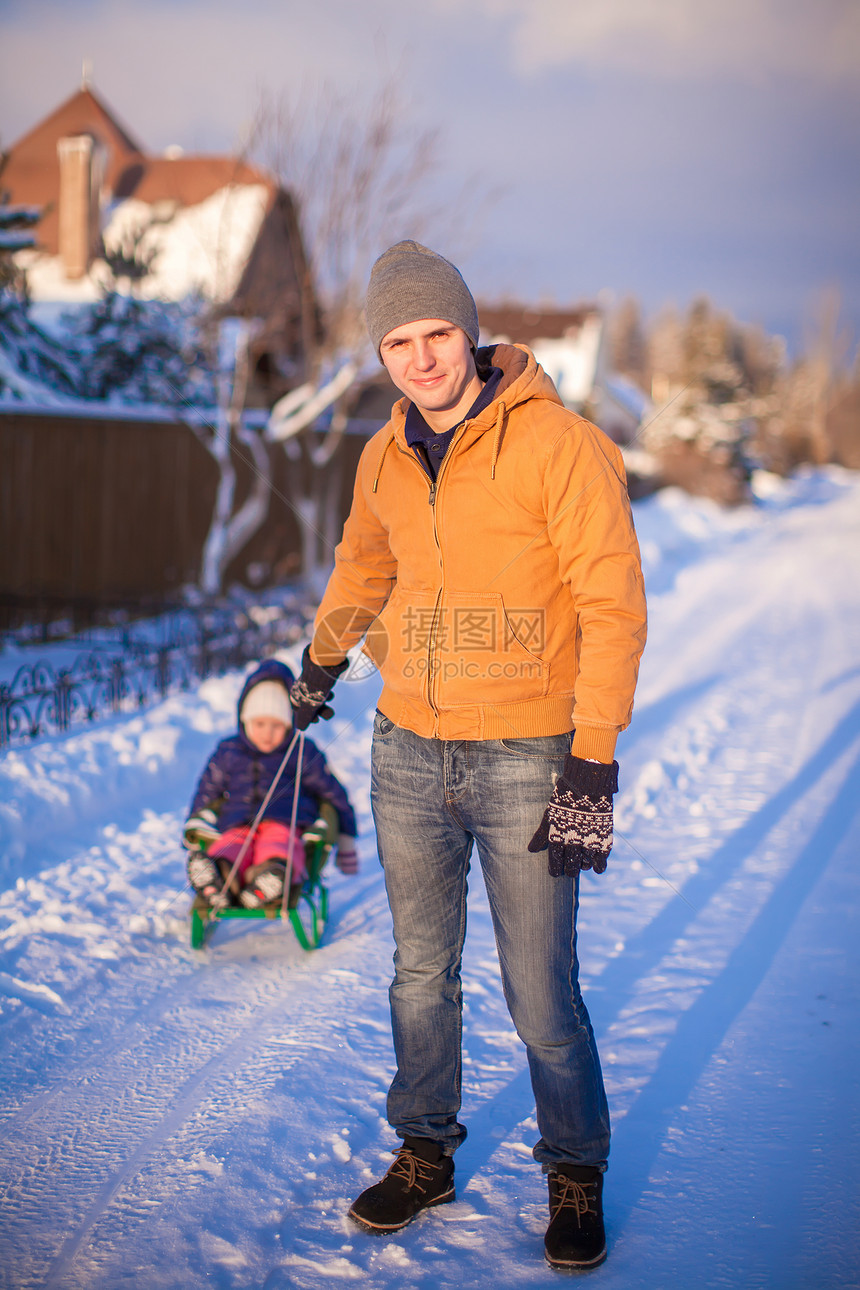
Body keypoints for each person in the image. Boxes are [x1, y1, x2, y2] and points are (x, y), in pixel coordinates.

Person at [288, 242, 647, 1270]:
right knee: (417, 975)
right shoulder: (382, 452)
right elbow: (364, 561)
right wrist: (321, 660)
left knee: (538, 990)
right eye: (396, 342)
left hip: (528, 754)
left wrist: (591, 756)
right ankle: (423, 1152)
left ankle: (573, 1166)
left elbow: (610, 604)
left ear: (469, 331)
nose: (418, 359)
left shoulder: (559, 445)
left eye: (435, 334)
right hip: (407, 746)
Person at [183, 659, 358, 909]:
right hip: (238, 821)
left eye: (276, 725)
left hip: (285, 822)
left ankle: (270, 878)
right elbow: (207, 790)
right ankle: (217, 876)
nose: (267, 733)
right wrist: (192, 826)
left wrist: (346, 840)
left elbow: (333, 793)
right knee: (231, 843)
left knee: (279, 843)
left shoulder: (300, 752)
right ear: (245, 721)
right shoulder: (229, 751)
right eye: (259, 724)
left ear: (290, 724)